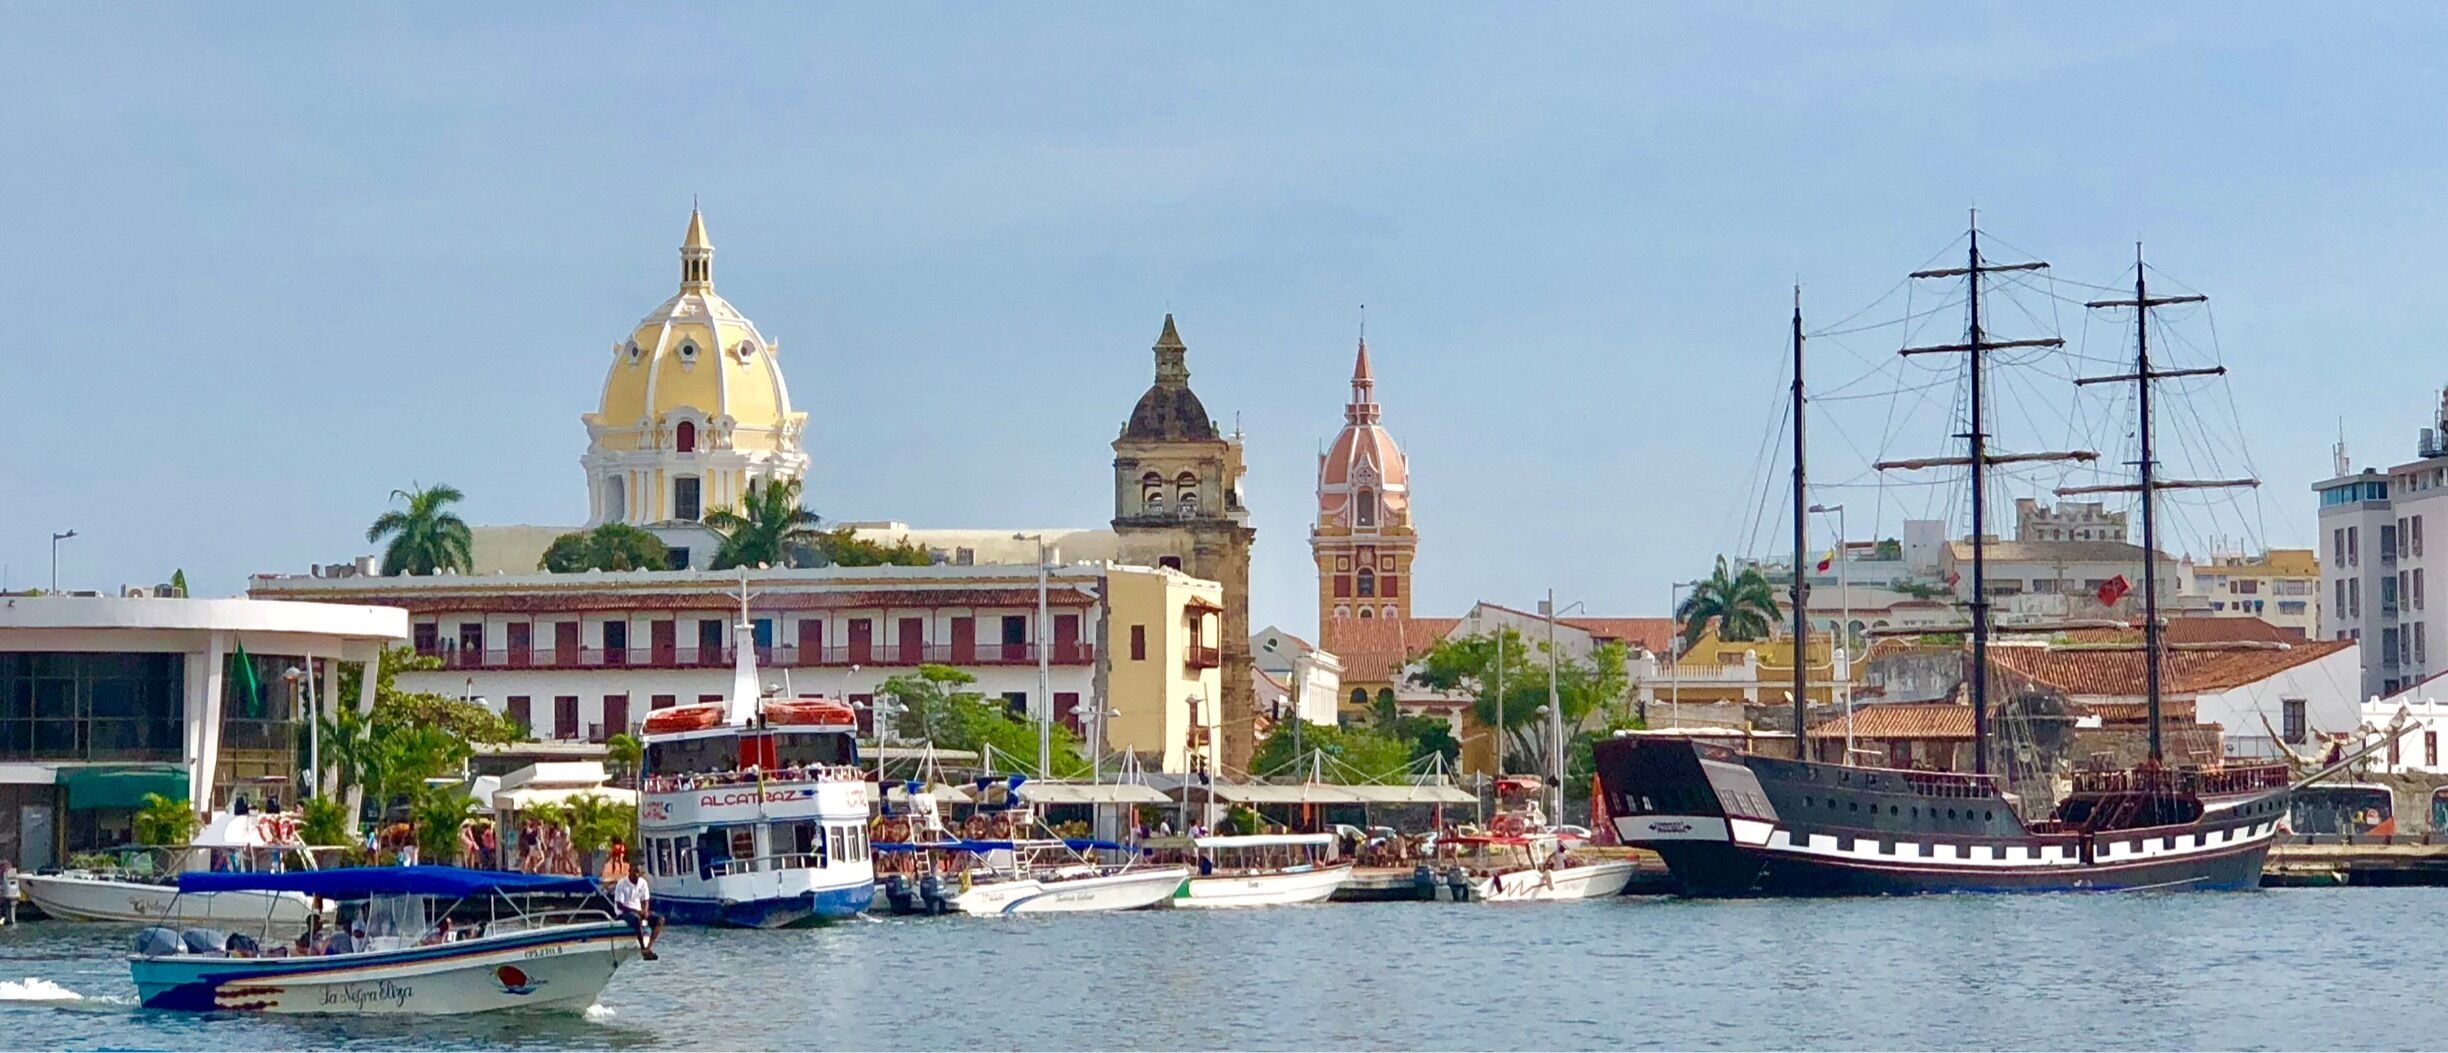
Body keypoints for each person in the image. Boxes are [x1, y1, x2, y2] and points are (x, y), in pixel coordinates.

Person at [610, 867, 660, 961]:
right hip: (624, 912)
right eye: (634, 872)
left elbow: (645, 900)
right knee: (636, 918)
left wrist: (645, 911)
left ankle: (648, 948)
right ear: (629, 871)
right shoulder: (622, 884)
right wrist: (637, 912)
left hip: (639, 910)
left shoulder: (643, 883)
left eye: (638, 873)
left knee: (659, 920)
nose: (636, 875)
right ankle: (642, 947)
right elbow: (619, 905)